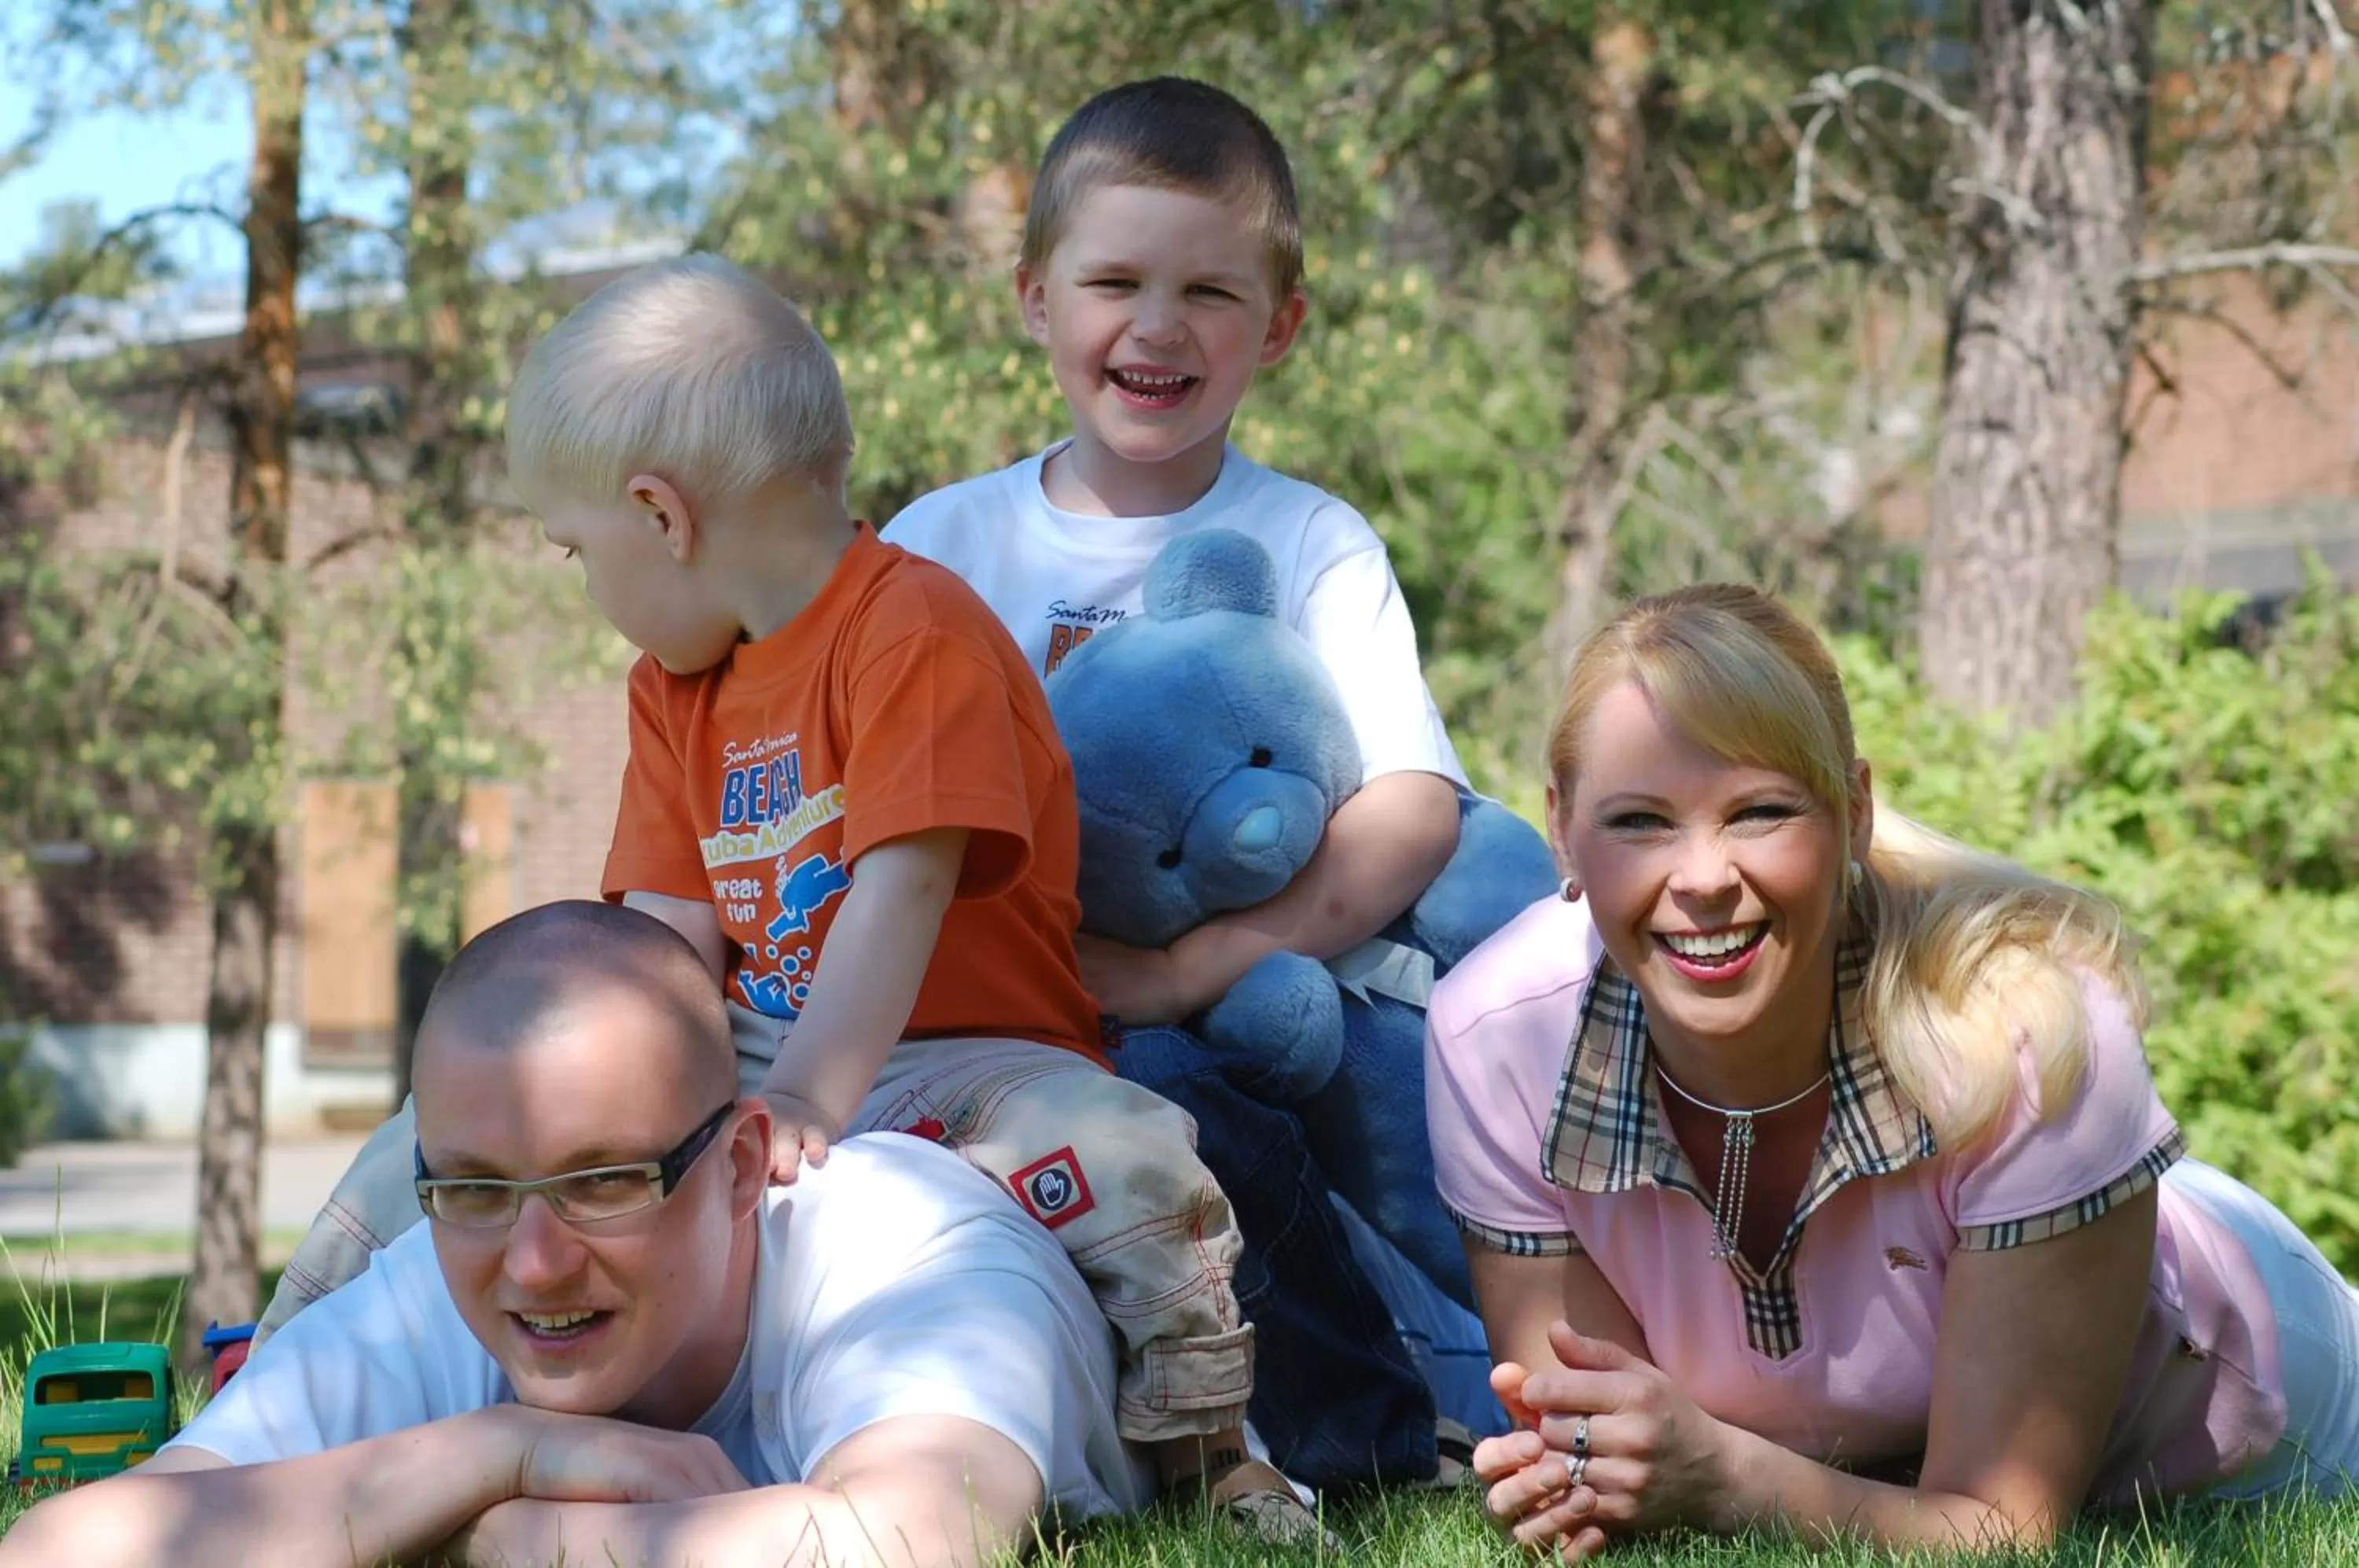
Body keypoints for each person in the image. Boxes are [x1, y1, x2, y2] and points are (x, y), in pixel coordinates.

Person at [256, 252, 1326, 1545]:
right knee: (436, 1139)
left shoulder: (914, 628)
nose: (586, 586)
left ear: (660, 516)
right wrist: (631, 1090)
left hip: (970, 1059)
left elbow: (903, 886)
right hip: (756, 1048)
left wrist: (812, 1094)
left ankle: (1212, 1451)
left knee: (1131, 1155)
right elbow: (661, 944)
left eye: (575, 550)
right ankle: (273, 1384)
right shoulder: (674, 689)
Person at [1423, 583, 2359, 1558]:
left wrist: (1726, 1475)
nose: (1702, 878)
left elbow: (2005, 1527)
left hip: (2243, 1405)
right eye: (1639, 821)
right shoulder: (1496, 1039)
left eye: (1761, 811)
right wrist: (1601, 1476)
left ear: (1855, 813)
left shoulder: (2031, 1031)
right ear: (1561, 827)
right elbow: (1604, 1453)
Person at [882, 75, 1474, 1490]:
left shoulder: (1311, 540)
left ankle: (1367, 1440)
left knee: (1187, 1086)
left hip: (1237, 1000)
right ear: (1036, 298)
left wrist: (1195, 964)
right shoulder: (941, 547)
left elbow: (1414, 808)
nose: (1158, 326)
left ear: (1280, 326)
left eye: (1210, 291)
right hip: (1000, 1014)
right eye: (1115, 283)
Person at [0, 901, 1144, 1568]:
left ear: (741, 1165)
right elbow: (62, 1549)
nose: (535, 1263)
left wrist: (515, 1541)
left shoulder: (908, 1260)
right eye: (474, 1187)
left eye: (605, 1182)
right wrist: (504, 1450)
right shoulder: (442, 1274)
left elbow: (915, 1537)